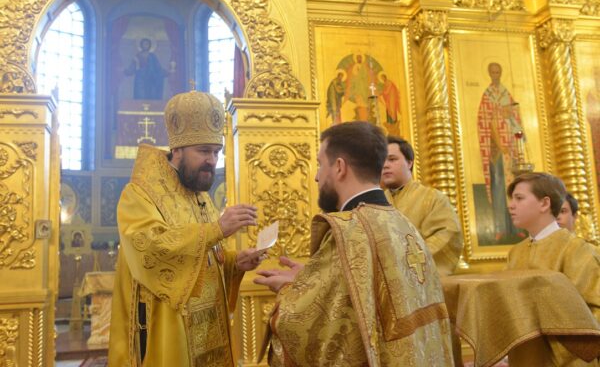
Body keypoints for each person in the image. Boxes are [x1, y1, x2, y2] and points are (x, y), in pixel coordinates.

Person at [254, 121, 454, 366]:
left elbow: (305, 324)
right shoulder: (403, 223)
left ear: (339, 167)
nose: (316, 176)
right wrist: (310, 278)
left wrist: (289, 290)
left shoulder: (349, 229)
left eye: (320, 164)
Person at [108, 90, 263, 367]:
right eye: (203, 151)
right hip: (167, 332)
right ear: (177, 149)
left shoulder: (199, 194)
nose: (212, 160)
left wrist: (234, 262)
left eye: (216, 152)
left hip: (209, 328)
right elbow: (150, 250)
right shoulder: (139, 194)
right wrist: (217, 229)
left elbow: (207, 259)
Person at [506, 172, 600, 366]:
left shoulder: (575, 249)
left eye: (519, 198)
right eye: (512, 199)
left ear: (544, 203)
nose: (511, 205)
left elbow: (594, 309)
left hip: (570, 360)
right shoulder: (515, 253)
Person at [381, 136, 463, 276]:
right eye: (381, 160)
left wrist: (406, 262)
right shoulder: (374, 203)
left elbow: (447, 235)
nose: (385, 165)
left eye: (392, 159)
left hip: (420, 279)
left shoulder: (433, 198)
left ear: (409, 163)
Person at [477, 62, 524, 243]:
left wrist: (516, 139)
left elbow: (517, 124)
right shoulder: (487, 95)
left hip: (510, 153)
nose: (496, 75)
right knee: (498, 188)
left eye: (498, 72)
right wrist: (499, 144)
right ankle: (499, 228)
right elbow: (486, 123)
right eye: (493, 72)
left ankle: (517, 226)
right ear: (489, 74)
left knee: (514, 189)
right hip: (497, 153)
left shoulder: (506, 94)